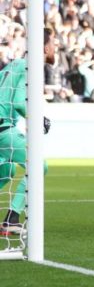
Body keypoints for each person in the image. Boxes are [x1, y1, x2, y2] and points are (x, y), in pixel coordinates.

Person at [0, 28, 55, 235]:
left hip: (3, 127)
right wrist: (40, 119)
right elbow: (19, 103)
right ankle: (11, 218)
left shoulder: (11, 65)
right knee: (39, 165)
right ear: (44, 47)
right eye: (54, 43)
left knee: (7, 170)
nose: (55, 47)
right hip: (2, 128)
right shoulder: (27, 67)